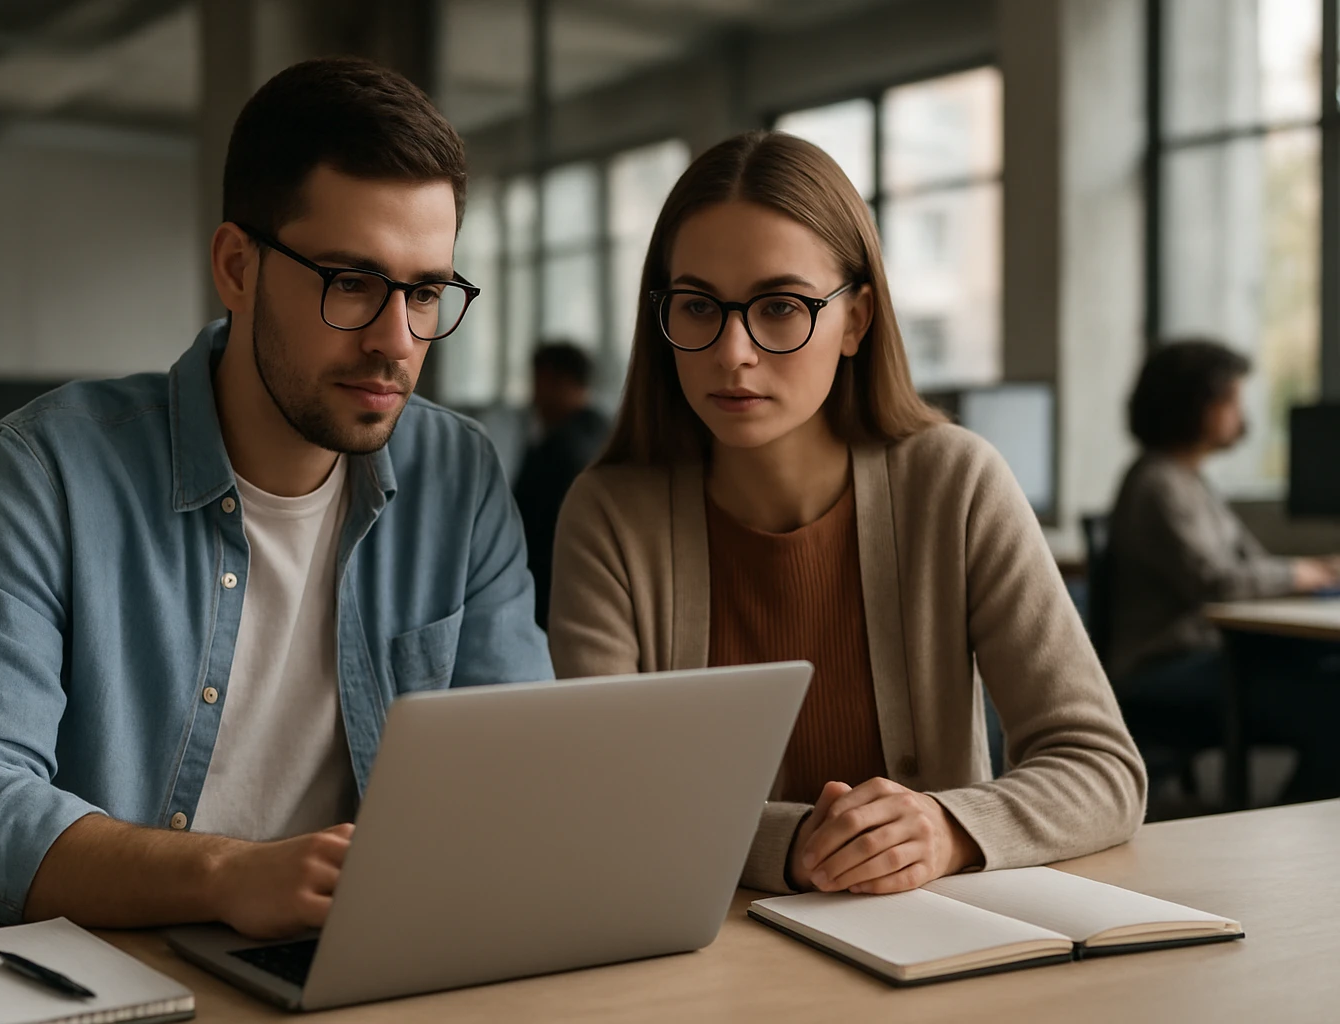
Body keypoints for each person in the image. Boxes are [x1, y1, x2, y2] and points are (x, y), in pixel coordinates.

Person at [0, 57, 550, 934]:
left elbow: (529, 780)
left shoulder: (458, 477)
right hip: (118, 970)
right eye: (352, 283)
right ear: (238, 267)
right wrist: (227, 878)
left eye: (425, 292)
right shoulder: (48, 473)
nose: (397, 341)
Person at [549, 131, 1146, 897]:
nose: (733, 351)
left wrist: (948, 828)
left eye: (781, 307)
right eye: (697, 306)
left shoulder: (954, 484)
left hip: (933, 950)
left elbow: (1102, 769)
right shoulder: (609, 517)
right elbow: (611, 800)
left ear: (857, 320)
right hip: (707, 961)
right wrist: (794, 844)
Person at [1109, 339, 1340, 800]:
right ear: (1192, 404)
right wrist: (1301, 574)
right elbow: (1214, 581)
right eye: (1230, 399)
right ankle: (1299, 834)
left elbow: (1249, 564)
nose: (1241, 412)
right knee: (1330, 708)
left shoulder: (1191, 481)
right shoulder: (1157, 484)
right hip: (1163, 667)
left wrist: (1315, 568)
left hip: (1212, 656)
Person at [513, 342, 610, 627]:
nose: (534, 396)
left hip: (555, 599)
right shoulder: (601, 433)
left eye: (538, 382)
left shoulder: (564, 450)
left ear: (559, 381)